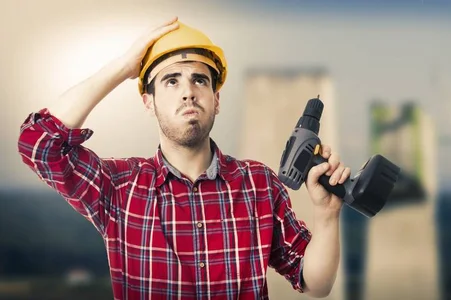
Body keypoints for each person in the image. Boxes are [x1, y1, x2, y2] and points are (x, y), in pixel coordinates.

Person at [17, 17, 351, 299]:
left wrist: (327, 215)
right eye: (171, 80)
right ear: (149, 102)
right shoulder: (120, 187)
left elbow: (315, 282)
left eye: (199, 80)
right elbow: (38, 142)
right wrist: (123, 67)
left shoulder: (258, 184)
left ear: (216, 99)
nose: (188, 91)